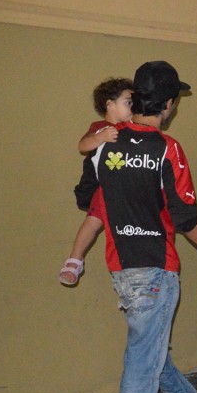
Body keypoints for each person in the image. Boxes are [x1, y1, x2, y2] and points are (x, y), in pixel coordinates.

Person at [74, 61, 197, 393]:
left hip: (121, 266)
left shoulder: (103, 143)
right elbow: (186, 219)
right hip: (156, 268)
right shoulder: (167, 148)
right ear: (167, 104)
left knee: (149, 347)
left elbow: (86, 197)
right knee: (142, 362)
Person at [59, 78, 135, 286]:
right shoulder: (101, 127)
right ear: (110, 104)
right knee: (93, 221)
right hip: (103, 187)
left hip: (124, 191)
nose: (133, 107)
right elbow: (83, 146)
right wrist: (100, 137)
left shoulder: (132, 130)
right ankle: (75, 259)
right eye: (128, 102)